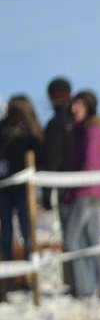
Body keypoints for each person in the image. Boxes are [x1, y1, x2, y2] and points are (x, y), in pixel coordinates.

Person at [63, 89, 100, 298]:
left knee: (72, 239)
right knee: (90, 239)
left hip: (87, 191)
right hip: (88, 191)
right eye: (74, 104)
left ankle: (85, 289)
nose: (75, 108)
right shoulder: (81, 131)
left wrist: (74, 188)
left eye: (80, 105)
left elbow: (91, 164)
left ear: (88, 108)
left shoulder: (92, 130)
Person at [39, 77, 76, 285]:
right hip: (81, 185)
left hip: (64, 187)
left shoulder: (55, 125)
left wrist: (46, 192)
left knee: (70, 237)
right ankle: (78, 281)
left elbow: (51, 160)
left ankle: (73, 281)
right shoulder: (78, 121)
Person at [0, 95, 43, 262]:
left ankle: (30, 266)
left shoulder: (32, 132)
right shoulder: (2, 129)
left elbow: (40, 156)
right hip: (3, 187)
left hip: (24, 187)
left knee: (27, 229)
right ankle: (8, 271)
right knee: (6, 232)